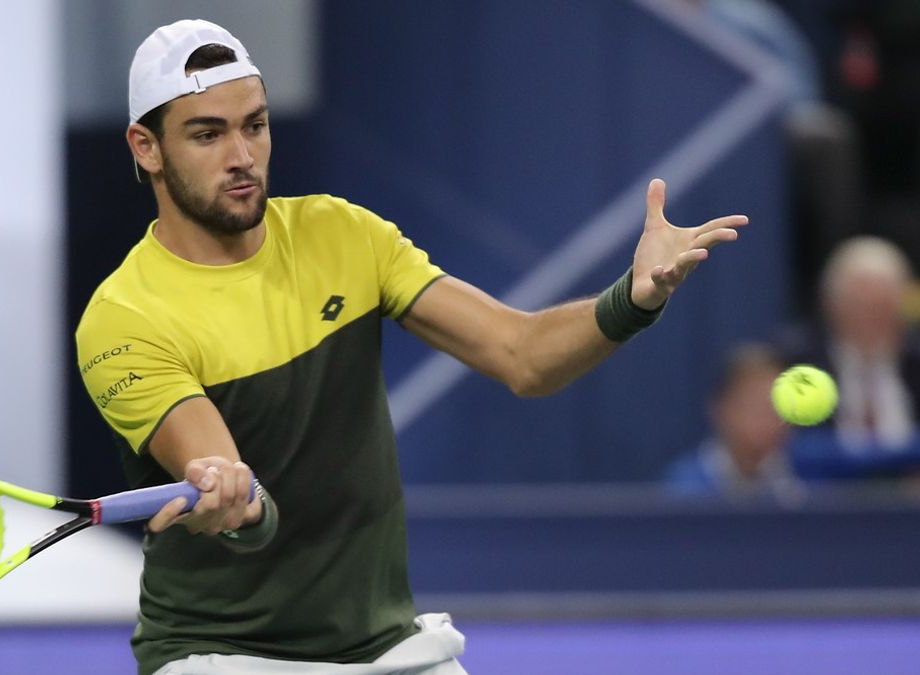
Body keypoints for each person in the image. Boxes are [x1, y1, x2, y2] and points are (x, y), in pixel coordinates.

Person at [75, 19, 748, 675]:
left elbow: (522, 355)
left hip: (386, 646)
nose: (242, 155)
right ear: (146, 147)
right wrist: (235, 501)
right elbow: (236, 492)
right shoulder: (124, 318)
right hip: (224, 657)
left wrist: (635, 296)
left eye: (254, 124)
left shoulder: (343, 233)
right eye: (207, 134)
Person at [781, 236, 920, 454]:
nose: (871, 321)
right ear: (831, 306)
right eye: (860, 307)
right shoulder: (791, 362)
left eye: (882, 308)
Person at [664, 342, 799, 499]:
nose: (771, 420)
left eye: (780, 409)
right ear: (721, 408)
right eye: (756, 408)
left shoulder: (810, 469)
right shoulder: (684, 488)